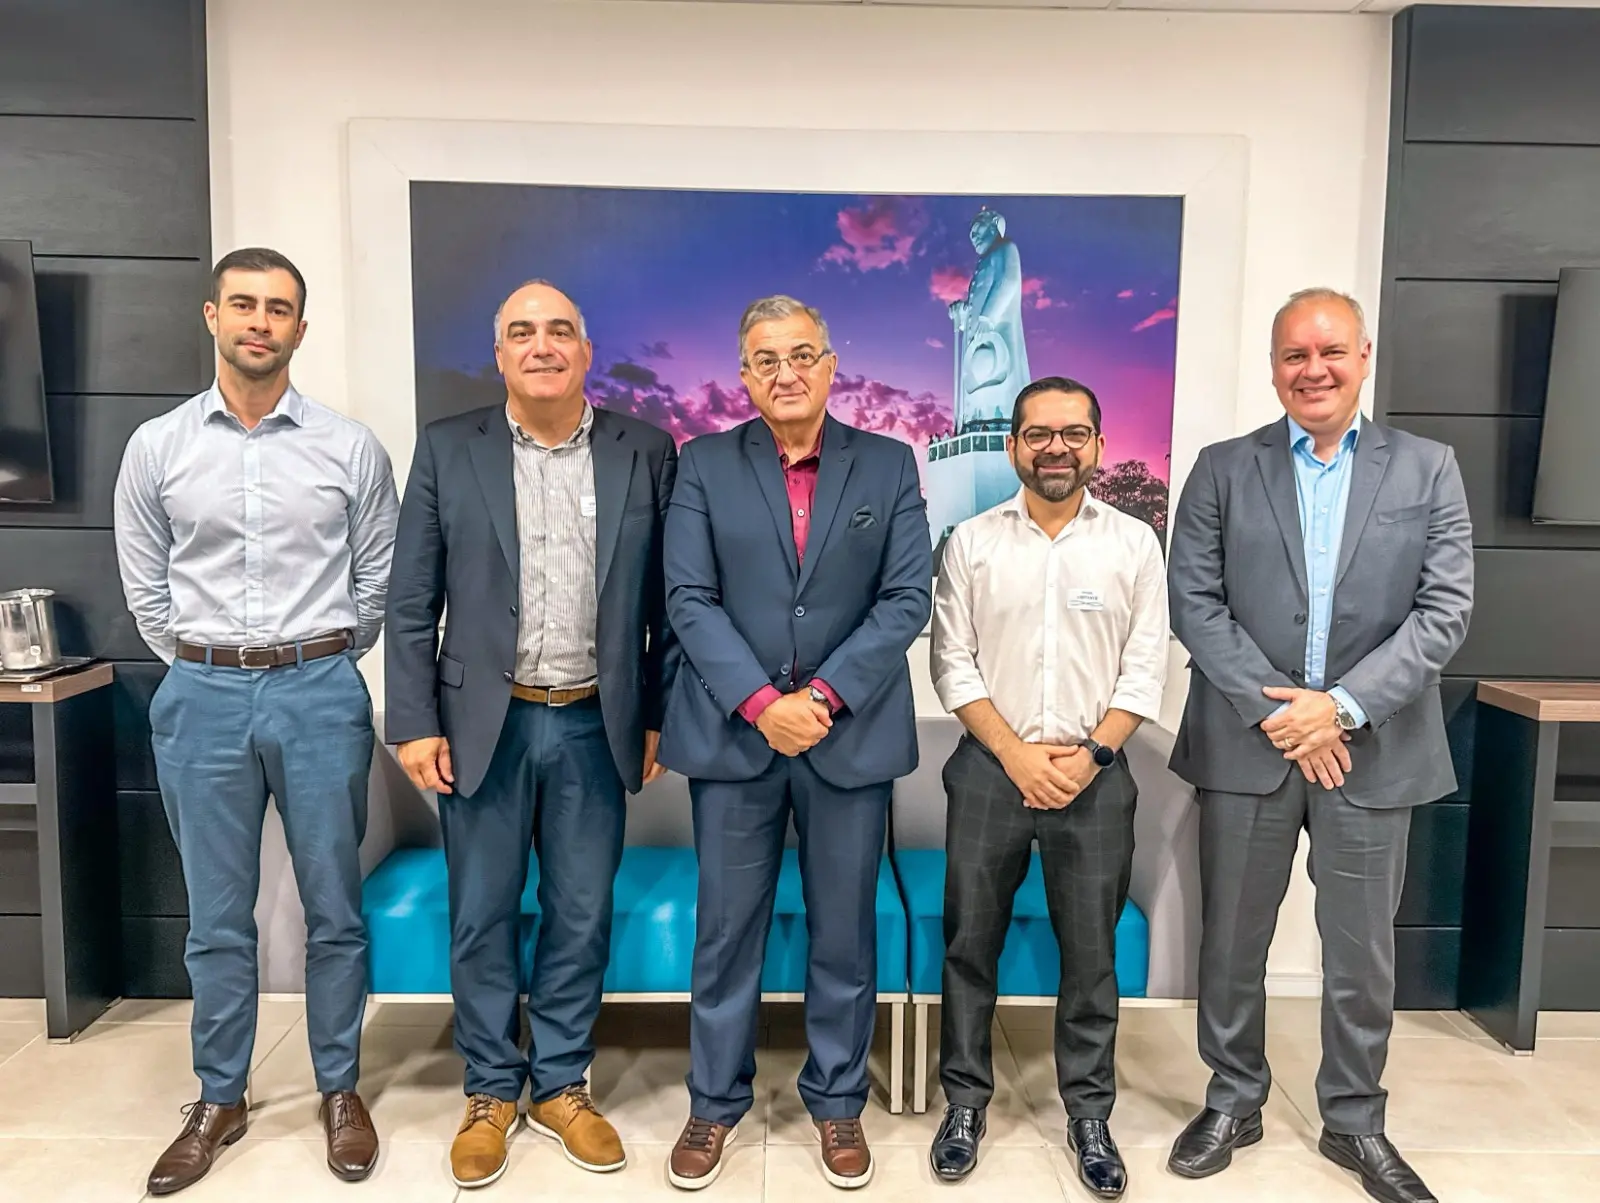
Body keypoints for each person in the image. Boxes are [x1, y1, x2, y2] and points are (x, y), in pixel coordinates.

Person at [1165, 289, 1473, 1203]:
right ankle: (1233, 1099)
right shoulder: (1223, 468)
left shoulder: (1428, 469)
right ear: (1273, 369)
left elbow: (1444, 610)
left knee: (1361, 953)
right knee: (1231, 942)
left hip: (1374, 750)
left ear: (1363, 356)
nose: (1314, 369)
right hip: (1245, 746)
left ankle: (1354, 1118)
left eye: (1331, 351)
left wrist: (1338, 709)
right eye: (1294, 354)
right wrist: (1282, 716)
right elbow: (1195, 602)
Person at [113, 247, 397, 1195]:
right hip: (199, 693)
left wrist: (318, 659)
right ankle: (219, 1095)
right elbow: (146, 587)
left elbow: (376, 581)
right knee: (216, 916)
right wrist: (208, 662)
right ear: (213, 316)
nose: (260, 322)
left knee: (334, 906)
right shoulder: (157, 447)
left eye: (278, 309)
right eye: (244, 304)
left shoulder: (349, 448)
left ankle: (340, 1087)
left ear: (300, 329)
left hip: (320, 688)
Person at [384, 279, 678, 1190]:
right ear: (500, 354)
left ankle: (559, 1085)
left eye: (559, 331)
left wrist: (657, 713)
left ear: (585, 351)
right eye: (522, 332)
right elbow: (410, 599)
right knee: (481, 913)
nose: (541, 345)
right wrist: (413, 721)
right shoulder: (447, 448)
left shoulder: (646, 450)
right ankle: (488, 1090)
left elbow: (668, 605)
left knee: (580, 914)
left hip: (596, 722)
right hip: (485, 725)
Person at [659, 295, 932, 1191]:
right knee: (725, 932)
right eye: (767, 359)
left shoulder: (888, 464)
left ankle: (838, 1100)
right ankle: (713, 1102)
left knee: (844, 932)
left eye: (803, 354)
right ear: (744, 375)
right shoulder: (703, 463)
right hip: (735, 738)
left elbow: (906, 598)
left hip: (846, 733)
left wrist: (818, 696)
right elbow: (689, 597)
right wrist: (758, 702)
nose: (787, 372)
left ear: (831, 363)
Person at [927, 377, 1168, 1198]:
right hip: (990, 773)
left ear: (1098, 444)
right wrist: (1017, 756)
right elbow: (951, 662)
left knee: (1092, 954)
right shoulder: (972, 542)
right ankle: (964, 1103)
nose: (1055, 447)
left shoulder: (1134, 543)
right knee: (969, 946)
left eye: (1072, 433)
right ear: (1014, 446)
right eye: (1038, 434)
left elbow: (1145, 668)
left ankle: (1089, 1113)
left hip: (1096, 778)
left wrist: (1089, 757)